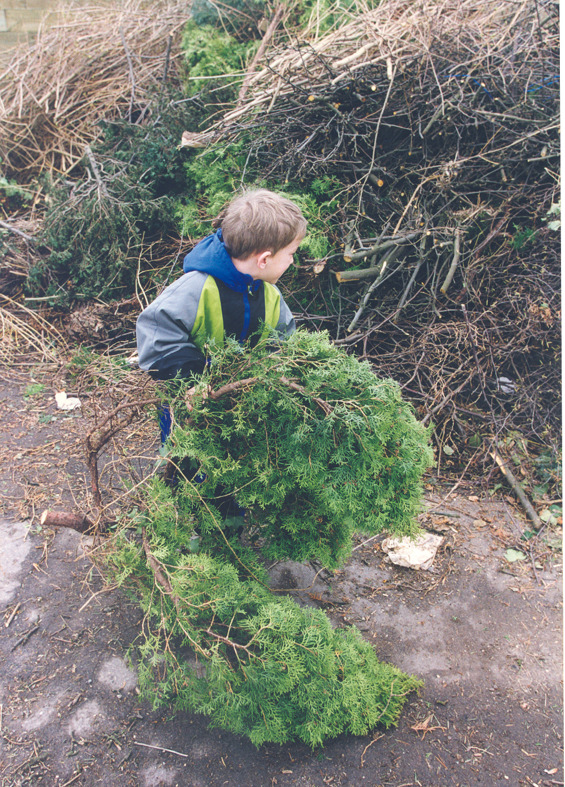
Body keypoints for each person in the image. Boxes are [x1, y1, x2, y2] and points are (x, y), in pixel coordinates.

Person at [136, 189, 306, 387]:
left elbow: (281, 344)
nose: (292, 260)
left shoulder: (271, 296)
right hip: (188, 405)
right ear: (264, 259)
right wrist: (190, 382)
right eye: (291, 253)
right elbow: (157, 333)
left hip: (242, 405)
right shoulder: (197, 287)